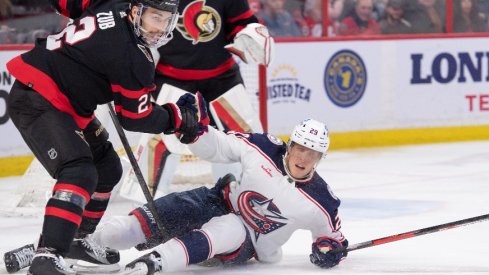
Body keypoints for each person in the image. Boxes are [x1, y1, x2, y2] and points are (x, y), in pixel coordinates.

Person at [5, 0, 202, 274]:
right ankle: (48, 254)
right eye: (155, 17)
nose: (161, 28)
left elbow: (65, 3)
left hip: (71, 104)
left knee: (108, 169)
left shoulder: (109, 2)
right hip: (38, 94)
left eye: (167, 20)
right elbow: (135, 117)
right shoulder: (134, 57)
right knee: (79, 172)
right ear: (136, 11)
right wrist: (176, 118)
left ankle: (74, 240)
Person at [90, 111, 348, 274]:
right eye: (300, 148)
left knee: (230, 226)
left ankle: (157, 263)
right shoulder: (264, 148)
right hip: (215, 200)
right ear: (290, 145)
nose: (304, 157)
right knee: (123, 231)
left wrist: (327, 250)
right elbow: (222, 144)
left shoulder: (322, 199)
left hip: (247, 242)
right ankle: (85, 242)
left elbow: (331, 238)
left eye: (312, 153)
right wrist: (195, 134)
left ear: (319, 158)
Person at [140, 0, 274, 197]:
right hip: (172, 79)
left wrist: (250, 33)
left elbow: (242, 22)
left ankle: (255, 194)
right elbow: (141, 25)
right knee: (158, 140)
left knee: (248, 141)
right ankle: (146, 201)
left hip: (222, 80)